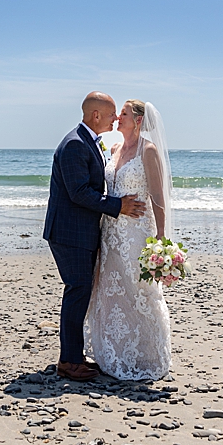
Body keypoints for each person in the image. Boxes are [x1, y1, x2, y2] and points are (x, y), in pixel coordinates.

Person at [43, 92, 146, 381]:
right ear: (96, 115)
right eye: (112, 113)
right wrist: (119, 206)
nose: (115, 118)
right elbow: (79, 193)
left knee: (81, 292)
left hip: (79, 231)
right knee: (77, 291)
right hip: (69, 232)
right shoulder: (75, 144)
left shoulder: (89, 141)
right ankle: (69, 361)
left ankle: (74, 356)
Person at [84, 100, 173, 381]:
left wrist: (160, 238)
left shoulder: (148, 150)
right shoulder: (113, 149)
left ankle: (145, 355)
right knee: (110, 290)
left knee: (139, 291)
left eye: (123, 113)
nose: (117, 117)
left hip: (136, 232)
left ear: (138, 120)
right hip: (110, 232)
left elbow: (158, 198)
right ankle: (111, 353)